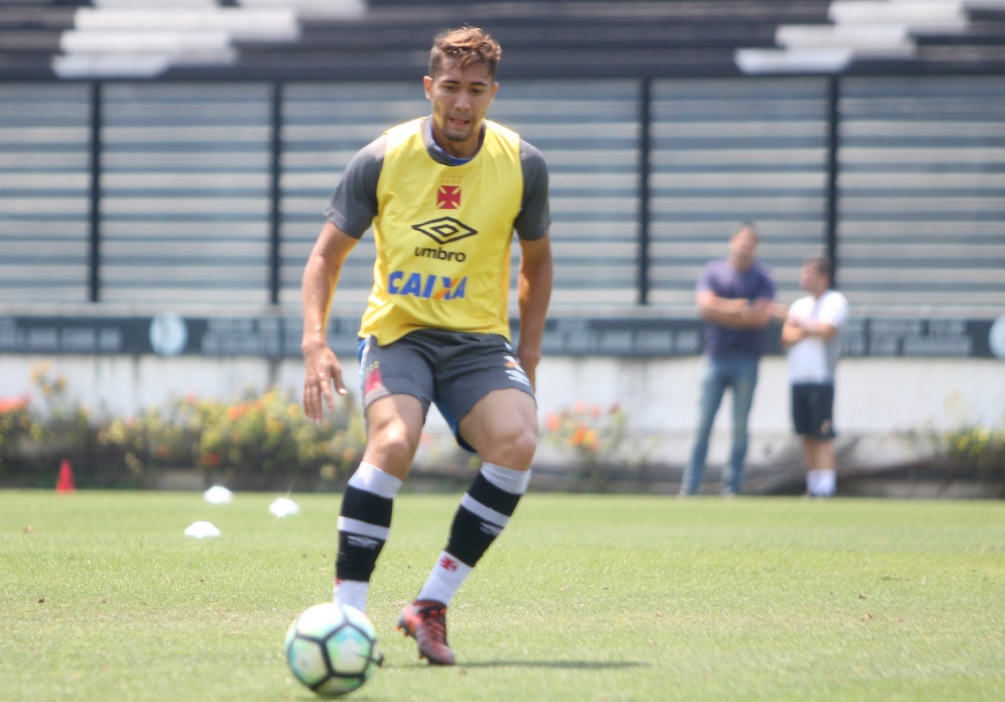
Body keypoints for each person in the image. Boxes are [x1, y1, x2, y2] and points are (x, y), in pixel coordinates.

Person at [299, 26, 552, 666]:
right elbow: (325, 257)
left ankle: (430, 605)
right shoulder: (382, 157)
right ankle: (348, 617)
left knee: (518, 441)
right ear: (428, 87)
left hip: (477, 343)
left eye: (476, 90)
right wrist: (314, 343)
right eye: (450, 87)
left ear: (493, 93)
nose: (462, 103)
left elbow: (538, 263)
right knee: (392, 442)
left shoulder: (522, 164)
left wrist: (528, 355)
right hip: (399, 334)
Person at [680, 223, 787, 496]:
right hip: (715, 358)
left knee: (740, 426)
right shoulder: (714, 271)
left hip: (747, 360)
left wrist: (722, 311)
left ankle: (732, 487)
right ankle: (690, 487)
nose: (746, 247)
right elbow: (704, 306)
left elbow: (760, 317)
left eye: (752, 243)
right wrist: (738, 309)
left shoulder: (762, 277)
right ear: (733, 241)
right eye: (743, 241)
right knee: (703, 423)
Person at [780, 256, 849, 498]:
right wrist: (808, 329)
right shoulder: (799, 305)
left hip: (821, 379)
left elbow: (827, 330)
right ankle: (813, 485)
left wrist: (801, 326)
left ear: (823, 277)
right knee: (806, 434)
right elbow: (786, 337)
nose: (805, 278)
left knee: (822, 434)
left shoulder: (835, 301)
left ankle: (827, 486)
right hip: (798, 377)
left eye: (810, 273)